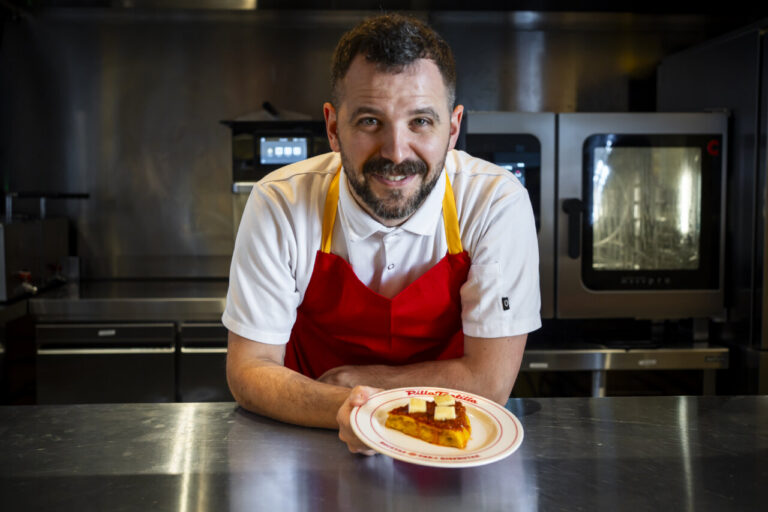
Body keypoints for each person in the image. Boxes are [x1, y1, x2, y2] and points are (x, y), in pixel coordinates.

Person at [223, 13, 540, 455]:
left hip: (452, 449)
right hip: (306, 440)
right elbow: (250, 370)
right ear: (333, 128)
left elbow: (490, 382)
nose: (395, 152)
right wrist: (345, 408)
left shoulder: (494, 203)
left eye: (421, 122)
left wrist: (364, 388)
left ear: (453, 128)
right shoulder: (280, 203)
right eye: (371, 121)